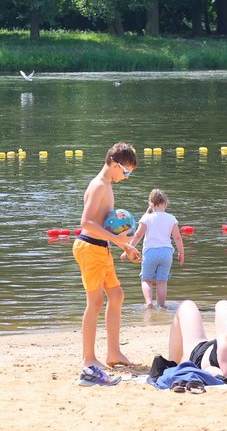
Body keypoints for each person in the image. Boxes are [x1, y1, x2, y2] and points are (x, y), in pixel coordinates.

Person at [73, 142, 141, 387]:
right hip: (89, 247)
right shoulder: (98, 186)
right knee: (95, 302)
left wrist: (126, 247)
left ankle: (113, 352)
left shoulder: (108, 185)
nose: (127, 176)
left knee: (117, 295)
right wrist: (119, 241)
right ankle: (88, 359)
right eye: (126, 171)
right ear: (114, 164)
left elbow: (104, 226)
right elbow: (86, 222)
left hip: (101, 248)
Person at [121, 188, 184, 308]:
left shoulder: (146, 218)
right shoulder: (171, 218)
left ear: (150, 204)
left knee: (146, 280)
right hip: (166, 254)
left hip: (150, 253)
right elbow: (177, 237)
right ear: (165, 203)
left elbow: (138, 235)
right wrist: (181, 253)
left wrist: (127, 250)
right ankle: (161, 305)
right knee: (162, 281)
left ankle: (149, 303)